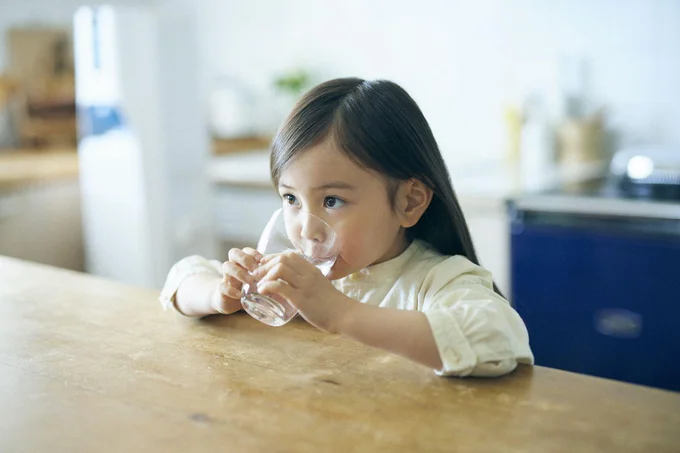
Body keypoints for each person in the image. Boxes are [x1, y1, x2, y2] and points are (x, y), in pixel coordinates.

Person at [160, 77, 533, 377]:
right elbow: (181, 277)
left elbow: (497, 336)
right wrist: (219, 294)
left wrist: (341, 313)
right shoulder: (294, 275)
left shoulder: (435, 281)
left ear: (410, 201)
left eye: (332, 201)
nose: (307, 229)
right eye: (291, 199)